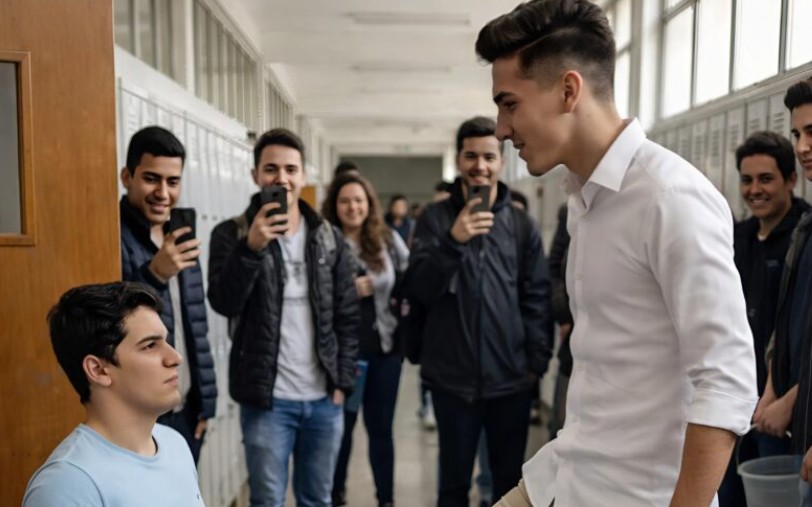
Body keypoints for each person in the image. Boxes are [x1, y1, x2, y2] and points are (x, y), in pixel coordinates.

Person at [475, 1, 757, 505]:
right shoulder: (582, 200)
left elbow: (727, 382)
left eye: (509, 104)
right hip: (566, 476)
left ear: (569, 90)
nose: (501, 128)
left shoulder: (669, 197)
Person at [207, 128, 359, 507]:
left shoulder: (327, 237)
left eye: (291, 169)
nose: (282, 178)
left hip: (323, 399)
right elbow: (224, 302)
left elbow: (346, 316)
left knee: (317, 500)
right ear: (255, 175)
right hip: (266, 401)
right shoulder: (231, 234)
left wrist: (342, 383)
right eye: (271, 169)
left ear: (303, 176)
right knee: (267, 500)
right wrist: (251, 248)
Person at [405, 116, 552, 507]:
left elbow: (536, 296)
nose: (480, 166)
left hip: (511, 380)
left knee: (507, 484)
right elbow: (419, 289)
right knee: (453, 486)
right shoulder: (434, 220)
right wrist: (453, 241)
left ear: (501, 161)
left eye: (489, 156)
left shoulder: (520, 225)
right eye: (471, 156)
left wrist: (535, 363)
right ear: (458, 160)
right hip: (451, 380)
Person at [23, 282, 203, 506]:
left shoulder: (174, 444)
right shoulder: (66, 485)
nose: (175, 357)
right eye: (150, 346)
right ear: (98, 370)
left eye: (165, 341)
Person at [118, 125, 217, 464]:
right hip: (142, 413)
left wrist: (205, 403)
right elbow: (112, 321)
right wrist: (154, 275)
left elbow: (196, 326)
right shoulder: (110, 234)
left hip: (187, 409)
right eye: (151, 178)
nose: (163, 192)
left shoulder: (181, 237)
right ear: (127, 177)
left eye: (173, 182)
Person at [719, 131, 807, 505]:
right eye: (747, 180)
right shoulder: (734, 238)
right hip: (733, 401)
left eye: (766, 179)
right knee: (728, 496)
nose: (755, 190)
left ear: (791, 179)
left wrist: (786, 399)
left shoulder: (803, 238)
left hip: (782, 412)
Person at [322, 173, 409, 507]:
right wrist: (347, 290)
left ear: (369, 204)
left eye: (358, 200)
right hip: (344, 356)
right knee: (341, 430)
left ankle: (386, 499)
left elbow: (409, 274)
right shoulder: (324, 241)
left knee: (381, 430)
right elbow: (313, 291)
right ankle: (336, 496)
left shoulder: (386, 239)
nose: (352, 207)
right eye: (344, 201)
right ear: (334, 205)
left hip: (385, 351)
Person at [760, 78, 812, 504]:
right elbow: (789, 321)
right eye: (796, 135)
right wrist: (772, 388)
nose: (802, 146)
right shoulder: (806, 230)